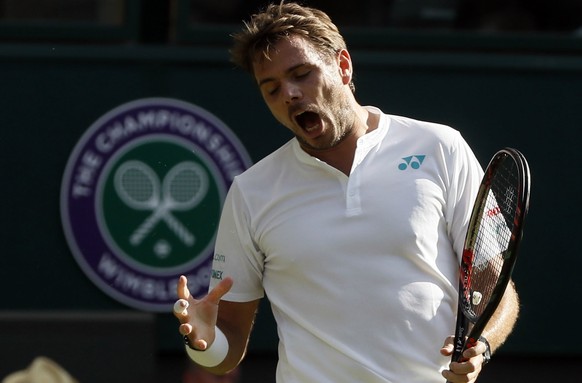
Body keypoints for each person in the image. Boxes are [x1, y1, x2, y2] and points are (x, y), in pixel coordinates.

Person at [173, 2, 520, 382]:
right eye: (271, 89)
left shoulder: (440, 147)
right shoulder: (250, 192)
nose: (289, 94)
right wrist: (203, 343)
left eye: (301, 74)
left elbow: (497, 287)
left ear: (343, 66)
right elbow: (226, 348)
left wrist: (481, 345)